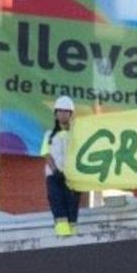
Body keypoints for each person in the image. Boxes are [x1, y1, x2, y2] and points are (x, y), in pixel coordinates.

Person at [44, 95, 81, 236]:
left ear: (71, 114)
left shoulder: (76, 134)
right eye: (60, 111)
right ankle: (62, 236)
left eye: (66, 111)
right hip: (54, 177)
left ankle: (72, 237)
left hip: (72, 177)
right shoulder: (49, 135)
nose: (63, 114)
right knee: (57, 205)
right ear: (55, 113)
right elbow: (47, 154)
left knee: (72, 208)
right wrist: (55, 172)